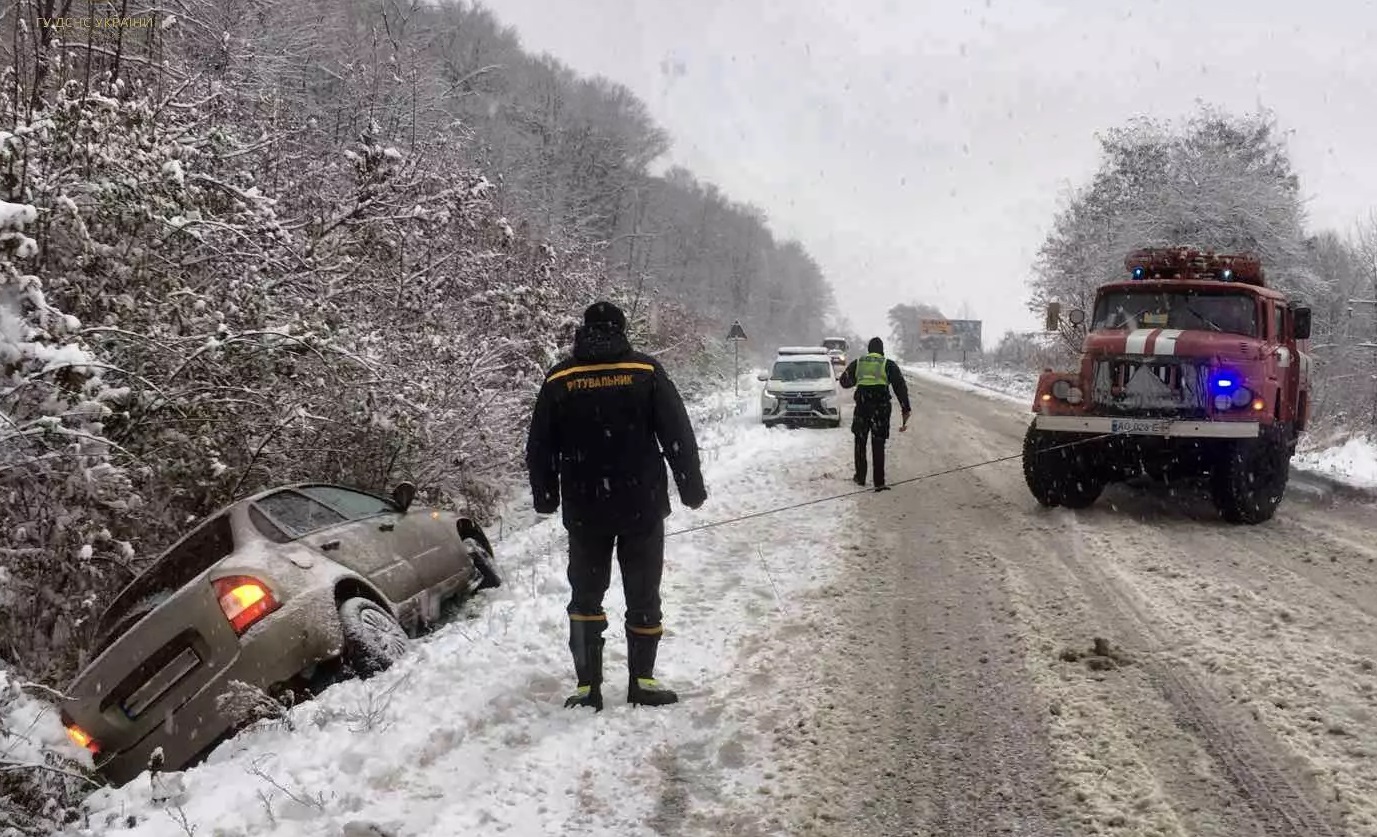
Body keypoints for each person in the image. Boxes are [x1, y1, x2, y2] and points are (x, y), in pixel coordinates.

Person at [525, 301, 707, 712]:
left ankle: (588, 687)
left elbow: (539, 446)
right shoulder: (645, 371)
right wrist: (690, 487)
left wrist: (545, 496)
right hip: (641, 505)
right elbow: (678, 433)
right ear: (622, 331)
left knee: (586, 596)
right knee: (643, 594)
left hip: (585, 509)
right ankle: (642, 680)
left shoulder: (561, 377)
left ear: (584, 331)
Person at [837, 337, 912, 491]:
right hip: (881, 408)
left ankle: (860, 477)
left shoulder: (859, 363)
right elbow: (900, 387)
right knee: (878, 444)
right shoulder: (888, 364)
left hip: (862, 407)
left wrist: (858, 380)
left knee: (860, 442)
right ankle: (879, 482)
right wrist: (905, 408)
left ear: (869, 350)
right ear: (881, 350)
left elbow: (844, 382)